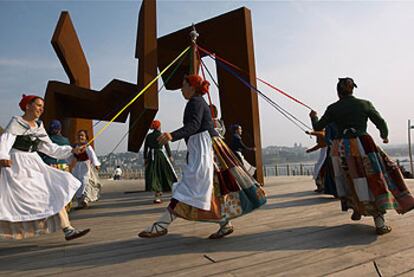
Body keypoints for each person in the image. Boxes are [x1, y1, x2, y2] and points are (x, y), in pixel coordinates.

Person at [138, 74, 266, 239]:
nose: (181, 89)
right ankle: (225, 224)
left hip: (206, 150)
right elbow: (196, 126)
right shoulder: (197, 102)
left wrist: (172, 135)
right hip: (206, 149)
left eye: (183, 85)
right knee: (212, 187)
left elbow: (194, 125)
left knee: (190, 185)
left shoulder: (195, 102)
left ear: (192, 87)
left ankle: (162, 224)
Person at [310, 77, 414, 235]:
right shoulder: (364, 104)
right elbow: (380, 121)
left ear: (338, 92)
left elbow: (318, 127)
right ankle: (380, 223)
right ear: (353, 89)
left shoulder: (333, 108)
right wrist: (384, 135)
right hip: (364, 145)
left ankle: (356, 209)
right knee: (373, 178)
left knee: (349, 179)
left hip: (341, 149)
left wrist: (313, 116)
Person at [0, 95, 90, 240]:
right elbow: (5, 141)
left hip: (34, 163)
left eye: (42, 106)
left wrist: (71, 150)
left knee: (54, 188)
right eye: (38, 105)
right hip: (17, 164)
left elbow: (50, 148)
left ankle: (68, 229)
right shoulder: (16, 122)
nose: (41, 109)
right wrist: (3, 156)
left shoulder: (39, 126)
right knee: (18, 199)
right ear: (28, 106)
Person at [40, 119, 73, 212]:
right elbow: (69, 154)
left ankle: (54, 209)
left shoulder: (47, 140)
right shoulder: (66, 140)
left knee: (51, 190)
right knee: (64, 188)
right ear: (60, 129)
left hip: (49, 166)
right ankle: (65, 208)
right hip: (63, 166)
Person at [144, 120, 177, 203]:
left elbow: (145, 149)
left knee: (155, 175)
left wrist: (145, 158)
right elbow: (167, 146)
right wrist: (170, 156)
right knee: (165, 173)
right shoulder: (162, 135)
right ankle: (173, 191)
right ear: (158, 127)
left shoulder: (148, 136)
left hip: (151, 157)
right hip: (160, 155)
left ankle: (157, 196)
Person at [71, 129, 102, 209]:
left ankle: (85, 200)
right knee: (77, 182)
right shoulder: (75, 146)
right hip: (77, 166)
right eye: (79, 135)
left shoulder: (87, 146)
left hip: (86, 165)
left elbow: (92, 155)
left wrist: (96, 164)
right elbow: (71, 156)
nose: (81, 137)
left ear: (86, 137)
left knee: (85, 182)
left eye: (82, 135)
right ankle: (79, 202)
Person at [306, 124, 337, 197]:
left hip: (326, 153)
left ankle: (322, 186)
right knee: (318, 168)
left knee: (320, 168)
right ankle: (320, 186)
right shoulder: (322, 138)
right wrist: (310, 150)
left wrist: (311, 133)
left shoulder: (323, 134)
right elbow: (319, 145)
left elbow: (320, 134)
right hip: (324, 153)